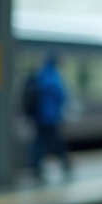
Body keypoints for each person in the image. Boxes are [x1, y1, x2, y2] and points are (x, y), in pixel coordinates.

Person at [27, 51, 70, 181]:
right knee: (55, 140)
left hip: (38, 116)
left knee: (40, 141)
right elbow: (61, 95)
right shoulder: (53, 75)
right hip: (50, 116)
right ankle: (65, 163)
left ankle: (35, 166)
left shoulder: (40, 74)